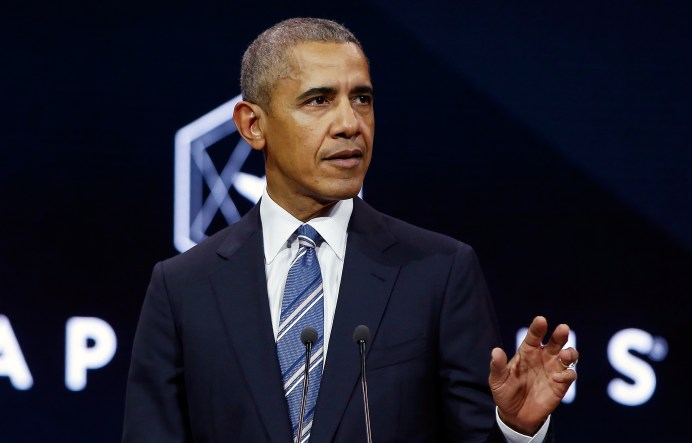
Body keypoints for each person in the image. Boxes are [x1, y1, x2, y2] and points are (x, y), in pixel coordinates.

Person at [122, 17, 578, 443]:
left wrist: (517, 431)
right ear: (253, 125)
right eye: (319, 101)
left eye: (362, 99)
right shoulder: (183, 287)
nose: (350, 124)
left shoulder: (438, 272)